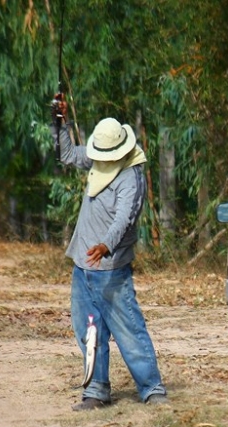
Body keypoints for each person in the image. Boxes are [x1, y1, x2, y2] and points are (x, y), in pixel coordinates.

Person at [53, 107, 168, 409]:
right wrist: (59, 124)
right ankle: (96, 392)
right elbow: (66, 155)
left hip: (111, 270)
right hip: (83, 267)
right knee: (89, 332)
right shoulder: (99, 158)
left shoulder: (131, 176)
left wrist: (106, 245)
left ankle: (152, 388)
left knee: (129, 331)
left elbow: (124, 219)